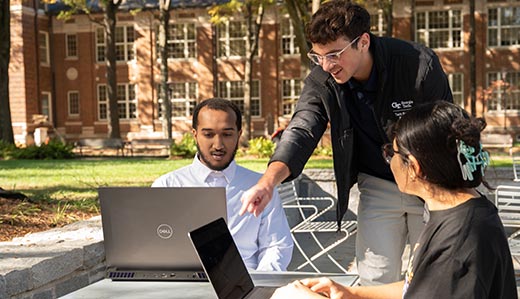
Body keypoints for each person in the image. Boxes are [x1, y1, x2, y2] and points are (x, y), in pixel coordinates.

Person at [240, 0, 453, 285]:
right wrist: (268, 182)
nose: (327, 66)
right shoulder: (321, 80)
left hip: (427, 182)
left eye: (334, 54)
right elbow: (301, 129)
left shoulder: (417, 64)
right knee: (375, 277)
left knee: (430, 278)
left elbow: (445, 129)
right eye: (318, 56)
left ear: (363, 42)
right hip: (377, 183)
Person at [270, 101, 517, 298]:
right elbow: (418, 286)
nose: (389, 161)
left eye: (392, 153)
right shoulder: (462, 209)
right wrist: (351, 293)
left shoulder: (456, 248)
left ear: (415, 168)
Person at [152, 98, 293, 271]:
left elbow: (276, 246)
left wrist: (260, 285)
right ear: (195, 134)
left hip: (247, 286)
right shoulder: (167, 185)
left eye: (227, 134)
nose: (218, 145)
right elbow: (156, 246)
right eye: (208, 134)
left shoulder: (261, 187)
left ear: (239, 134)